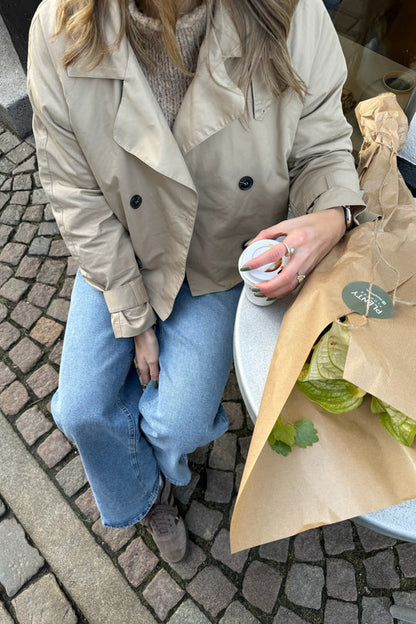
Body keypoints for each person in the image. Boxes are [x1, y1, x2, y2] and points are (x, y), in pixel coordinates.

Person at [27, 0, 370, 564]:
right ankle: (144, 493)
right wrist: (133, 316)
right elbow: (75, 193)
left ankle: (159, 467)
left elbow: (322, 142)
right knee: (81, 409)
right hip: (126, 246)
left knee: (179, 423)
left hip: (221, 253)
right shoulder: (58, 26)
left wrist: (331, 215)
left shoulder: (291, 12)